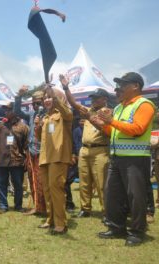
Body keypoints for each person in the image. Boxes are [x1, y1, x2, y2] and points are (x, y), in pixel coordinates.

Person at [95, 72, 155, 246]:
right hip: (117, 157)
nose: (119, 88)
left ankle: (137, 232)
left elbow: (137, 129)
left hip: (135, 159)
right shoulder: (120, 107)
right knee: (112, 194)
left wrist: (111, 121)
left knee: (135, 197)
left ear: (135, 86)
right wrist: (103, 124)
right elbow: (114, 132)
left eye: (123, 84)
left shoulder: (144, 105)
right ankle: (116, 227)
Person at [61, 74, 111, 218]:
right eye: (93, 98)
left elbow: (106, 130)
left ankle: (106, 211)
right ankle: (85, 208)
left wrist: (91, 118)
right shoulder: (89, 110)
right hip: (85, 149)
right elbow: (73, 102)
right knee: (84, 181)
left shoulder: (108, 113)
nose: (93, 100)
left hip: (100, 150)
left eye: (97, 98)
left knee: (101, 182)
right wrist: (66, 87)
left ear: (105, 99)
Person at [35, 85, 73, 235]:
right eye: (45, 98)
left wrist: (55, 97)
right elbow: (39, 138)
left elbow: (67, 112)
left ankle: (60, 224)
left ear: (59, 99)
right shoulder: (45, 117)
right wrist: (38, 126)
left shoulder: (64, 114)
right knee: (47, 190)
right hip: (45, 158)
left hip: (59, 157)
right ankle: (50, 219)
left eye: (50, 97)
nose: (47, 100)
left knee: (56, 189)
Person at [0, 102, 29, 214]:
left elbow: (26, 145)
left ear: (15, 111)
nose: (6, 112)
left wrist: (27, 159)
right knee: (1, 184)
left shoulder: (23, 127)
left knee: (18, 185)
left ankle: (18, 206)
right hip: (2, 160)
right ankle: (3, 205)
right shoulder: (1, 126)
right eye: (6, 110)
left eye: (9, 110)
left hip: (17, 160)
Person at [14, 86, 46, 215]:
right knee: (33, 181)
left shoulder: (49, 114)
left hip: (44, 153)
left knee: (42, 182)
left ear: (44, 101)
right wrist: (19, 97)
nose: (36, 106)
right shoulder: (32, 114)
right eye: (33, 103)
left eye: (38, 103)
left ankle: (46, 207)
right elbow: (17, 112)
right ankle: (37, 206)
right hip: (31, 152)